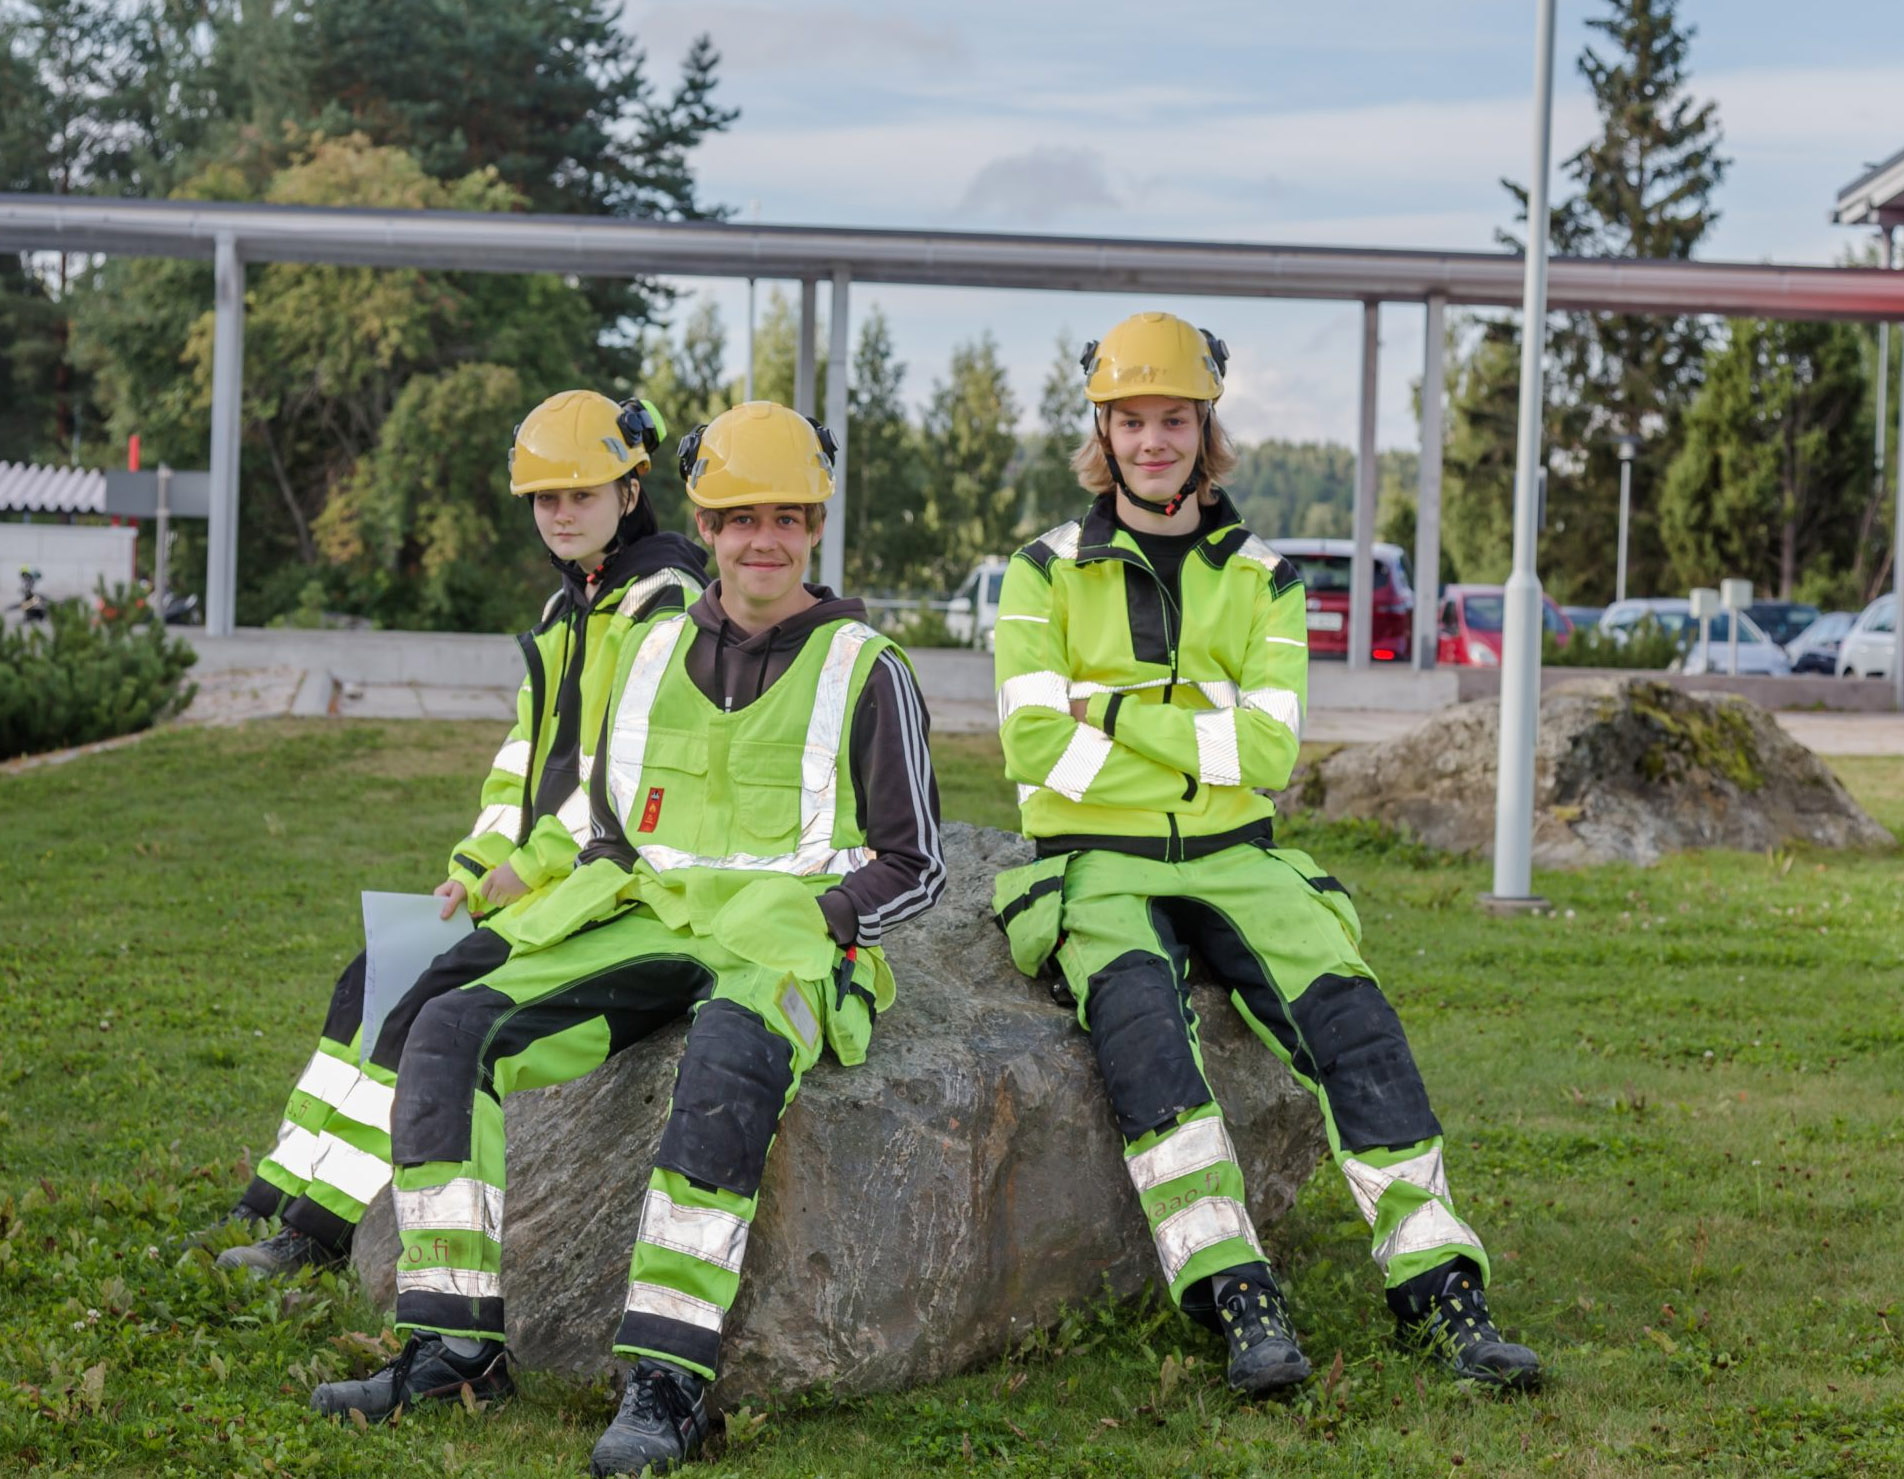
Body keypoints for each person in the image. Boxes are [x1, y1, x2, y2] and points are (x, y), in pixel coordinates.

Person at [309, 401, 946, 1477]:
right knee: (447, 1031)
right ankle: (453, 1344)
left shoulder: (865, 666)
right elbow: (607, 824)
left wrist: (826, 923)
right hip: (641, 920)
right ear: (702, 523)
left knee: (724, 1068)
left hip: (779, 951)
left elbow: (913, 861)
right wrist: (523, 886)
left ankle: (667, 1380)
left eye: (787, 518)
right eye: (740, 518)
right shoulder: (652, 652)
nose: (763, 539)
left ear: (814, 528)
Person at [989, 312, 1540, 1395]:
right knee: (1146, 1040)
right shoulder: (1037, 571)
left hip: (1242, 857)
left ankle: (1437, 1288)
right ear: (1101, 433)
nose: (1154, 442)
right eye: (1132, 421)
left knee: (1356, 1028)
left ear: (1206, 429)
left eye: (1174, 420)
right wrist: (1195, 735)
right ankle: (1236, 1292)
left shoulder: (1267, 577)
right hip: (1092, 867)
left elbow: (1269, 751)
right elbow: (1033, 746)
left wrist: (1110, 711)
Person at [212, 390, 706, 1276]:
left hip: (601, 882)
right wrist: (474, 867)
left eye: (581, 494)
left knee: (421, 1003)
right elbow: (523, 764)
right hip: (530, 875)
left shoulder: (662, 605)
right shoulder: (569, 609)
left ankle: (318, 1230)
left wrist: (525, 871)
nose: (560, 513)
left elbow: (622, 780)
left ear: (631, 493)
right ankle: (273, 1192)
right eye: (545, 498)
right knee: (368, 979)